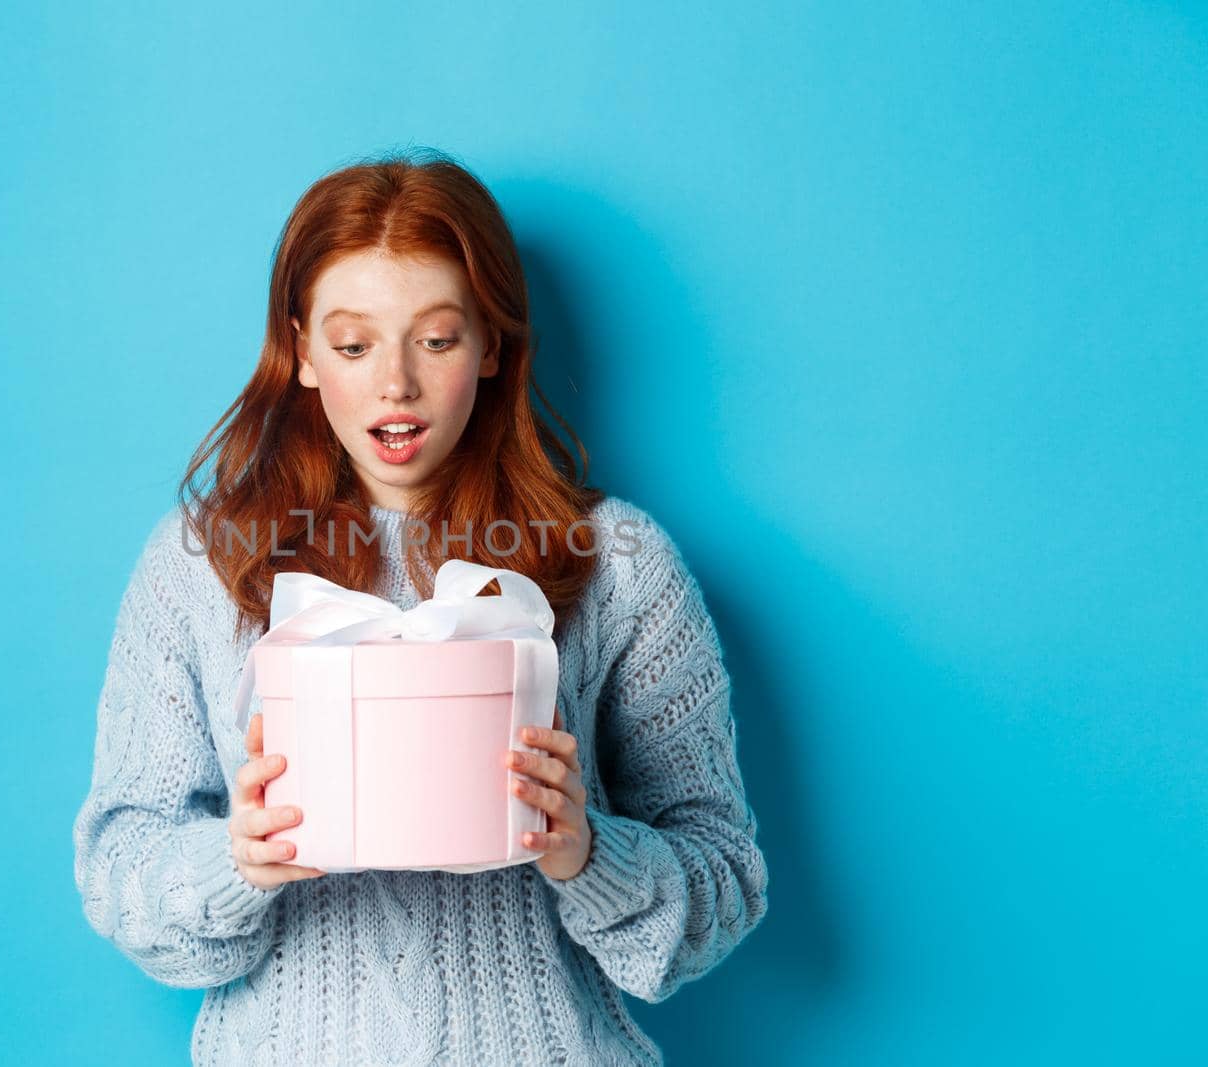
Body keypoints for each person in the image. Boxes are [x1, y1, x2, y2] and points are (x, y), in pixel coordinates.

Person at [72, 148, 769, 1066]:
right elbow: (116, 867)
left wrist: (587, 848)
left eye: (436, 339)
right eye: (354, 344)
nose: (394, 383)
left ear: (490, 345)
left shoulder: (619, 563)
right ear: (303, 352)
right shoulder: (201, 564)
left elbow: (725, 877)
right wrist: (235, 861)